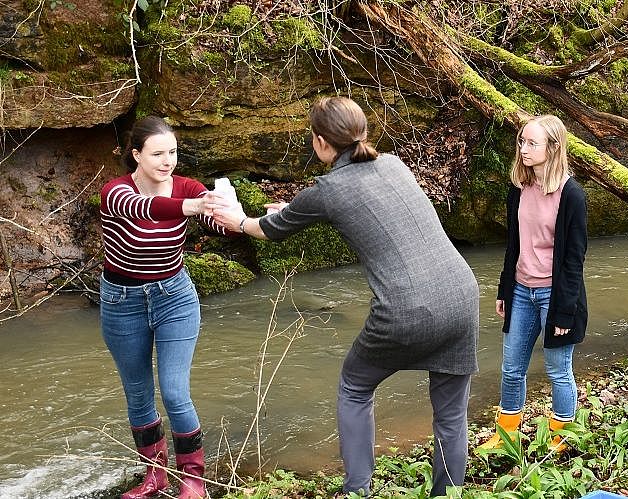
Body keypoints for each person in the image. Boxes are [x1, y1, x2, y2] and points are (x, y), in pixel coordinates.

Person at [207, 96, 479, 497]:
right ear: (363, 132)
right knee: (451, 414)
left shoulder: (327, 189)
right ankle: (448, 494)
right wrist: (297, 208)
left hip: (405, 309)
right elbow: (371, 209)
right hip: (461, 294)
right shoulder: (394, 164)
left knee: (354, 386)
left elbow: (267, 229)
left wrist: (239, 220)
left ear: (320, 142)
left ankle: (357, 491)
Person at [99, 116, 233, 499]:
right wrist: (189, 206)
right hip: (122, 303)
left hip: (174, 297)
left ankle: (193, 481)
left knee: (175, 391)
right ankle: (154, 478)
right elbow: (145, 208)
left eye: (172, 152)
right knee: (138, 394)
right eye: (157, 153)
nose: (167, 161)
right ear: (136, 154)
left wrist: (242, 219)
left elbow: (215, 223)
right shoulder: (115, 192)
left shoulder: (188, 187)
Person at [476, 115, 588, 454]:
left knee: (558, 370)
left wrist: (565, 313)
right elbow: (514, 245)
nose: (524, 149)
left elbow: (574, 259)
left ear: (553, 148)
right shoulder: (519, 188)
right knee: (512, 369)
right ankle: (507, 435)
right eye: (522, 142)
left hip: (556, 296)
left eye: (532, 143)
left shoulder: (572, 195)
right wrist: (504, 290)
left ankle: (562, 438)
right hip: (522, 291)